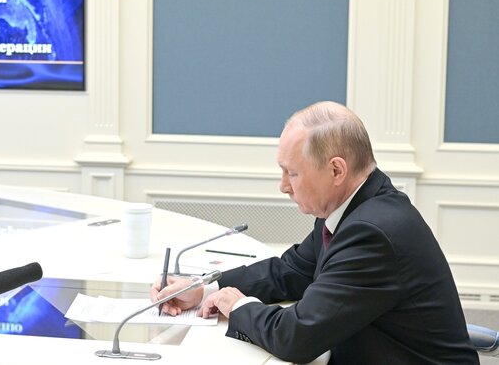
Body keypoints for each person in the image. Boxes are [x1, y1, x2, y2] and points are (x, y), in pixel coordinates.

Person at [151, 101, 478, 364]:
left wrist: (238, 307)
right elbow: (290, 271)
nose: (283, 186)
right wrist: (205, 290)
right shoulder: (350, 209)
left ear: (336, 170)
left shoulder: (371, 233)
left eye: (292, 173)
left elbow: (296, 337)